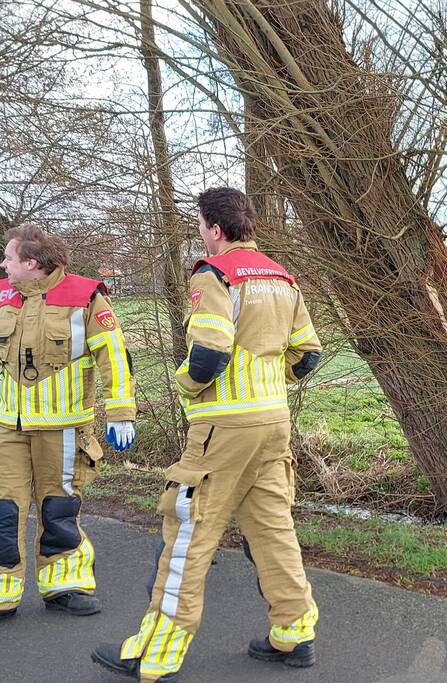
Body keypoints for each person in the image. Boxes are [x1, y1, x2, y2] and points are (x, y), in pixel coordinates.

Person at [92, 187, 322, 682]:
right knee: (272, 528)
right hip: (273, 423)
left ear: (215, 229)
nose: (200, 233)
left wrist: (186, 386)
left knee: (187, 532)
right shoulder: (283, 276)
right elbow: (307, 356)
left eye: (199, 225)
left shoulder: (214, 272)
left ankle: (155, 653)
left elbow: (210, 354)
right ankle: (295, 632)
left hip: (224, 428)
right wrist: (265, 380)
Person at [0, 223, 136, 619]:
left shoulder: (85, 296)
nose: (3, 264)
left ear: (31, 262)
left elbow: (114, 355)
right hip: (7, 426)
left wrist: (121, 411)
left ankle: (65, 584)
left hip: (62, 427)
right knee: (4, 510)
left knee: (58, 508)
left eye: (8, 258)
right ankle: (3, 591)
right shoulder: (3, 296)